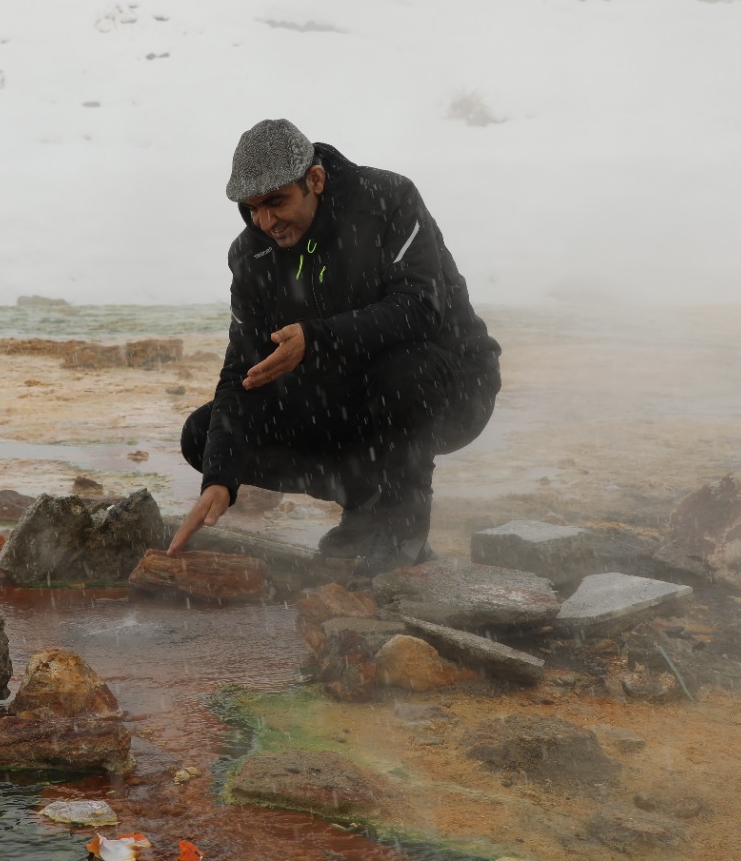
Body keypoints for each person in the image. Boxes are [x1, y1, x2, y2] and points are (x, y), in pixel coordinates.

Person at [167, 118, 501, 575]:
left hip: (450, 384)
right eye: (252, 208)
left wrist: (317, 338)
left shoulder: (389, 200)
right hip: (347, 400)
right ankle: (366, 504)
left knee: (402, 371)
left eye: (276, 202)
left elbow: (421, 309)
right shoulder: (251, 255)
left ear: (316, 180)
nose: (266, 222)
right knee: (204, 436)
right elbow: (244, 372)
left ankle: (403, 530)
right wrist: (219, 478)